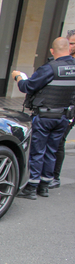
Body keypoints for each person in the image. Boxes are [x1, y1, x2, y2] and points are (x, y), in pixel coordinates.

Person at [12, 37, 75, 199]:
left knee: (37, 151)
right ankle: (44, 186)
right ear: (68, 49)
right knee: (51, 151)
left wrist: (18, 77)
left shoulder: (50, 68)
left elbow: (28, 86)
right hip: (63, 117)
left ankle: (31, 187)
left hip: (45, 116)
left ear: (52, 51)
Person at [50, 29, 75, 189]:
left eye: (72, 43)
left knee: (59, 142)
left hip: (70, 109)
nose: (70, 46)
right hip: (57, 107)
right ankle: (46, 175)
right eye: (69, 42)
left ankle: (55, 177)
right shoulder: (64, 60)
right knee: (52, 141)